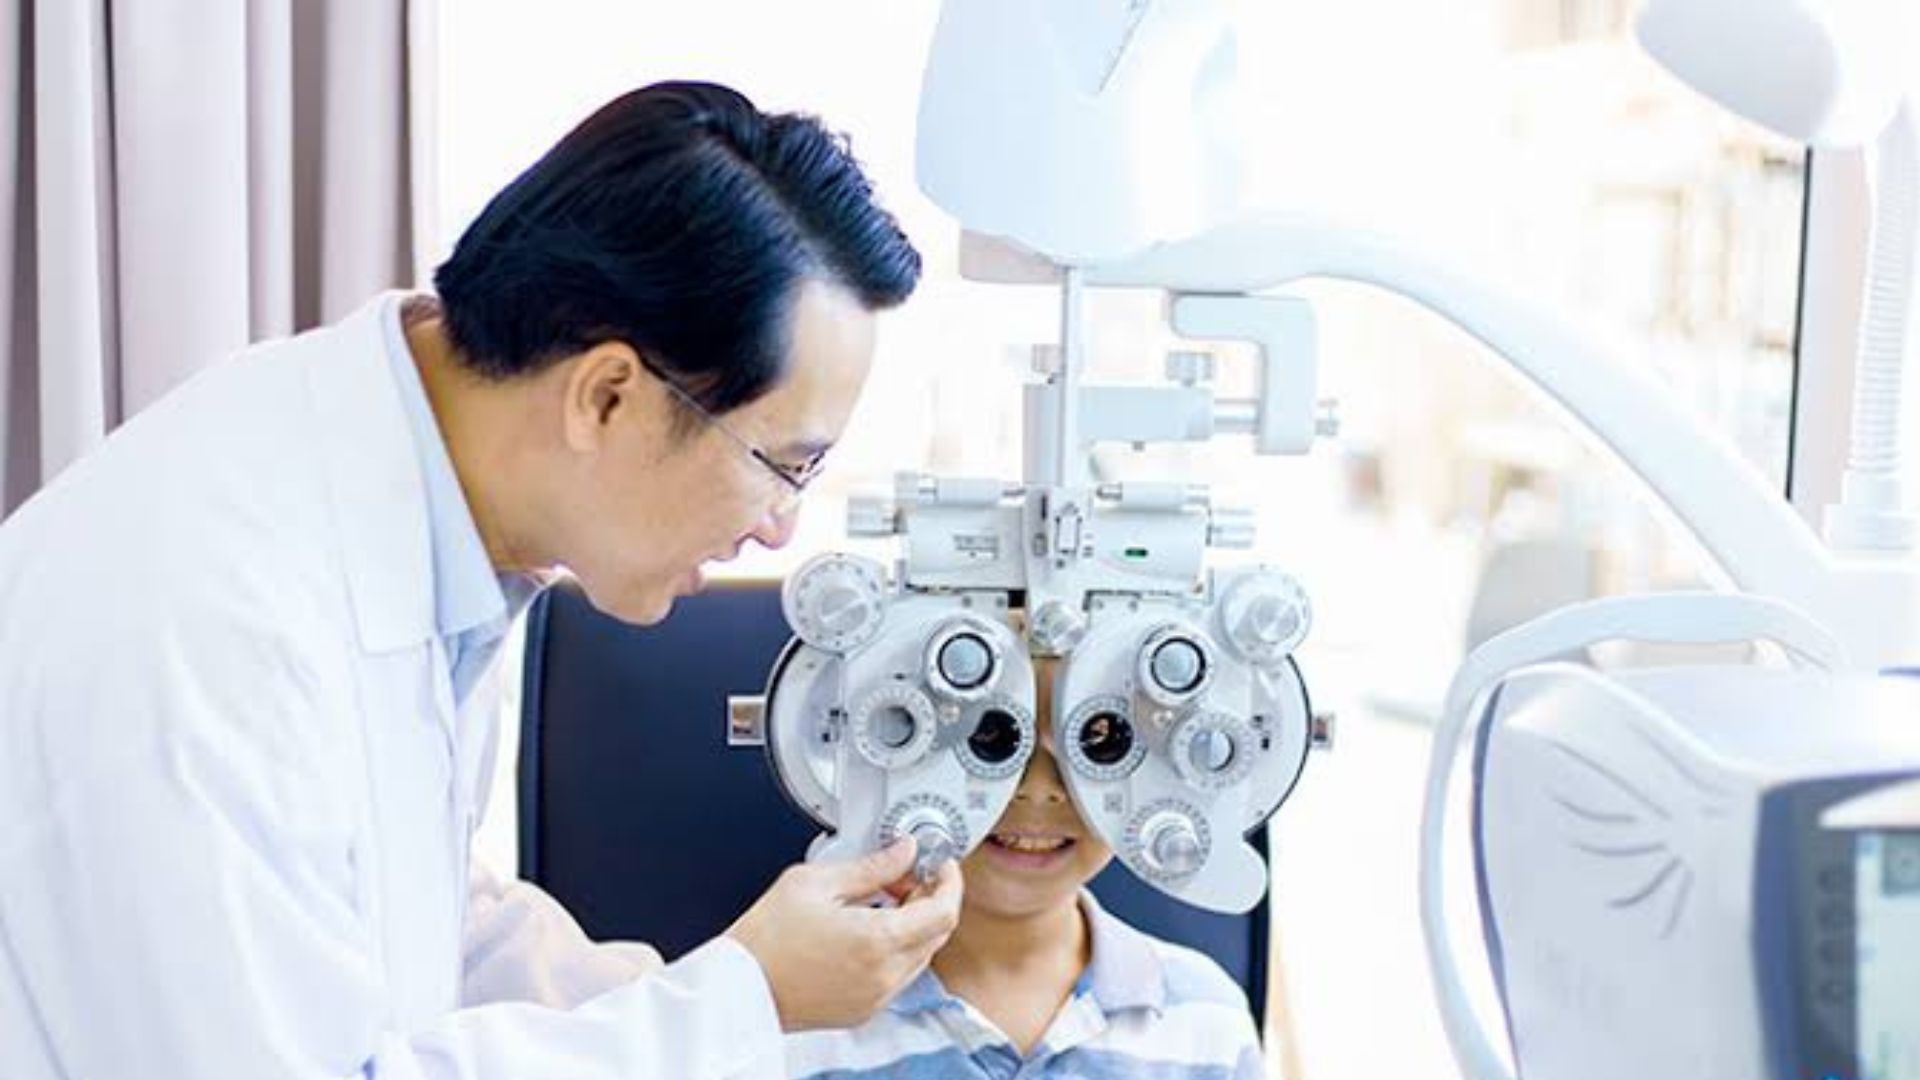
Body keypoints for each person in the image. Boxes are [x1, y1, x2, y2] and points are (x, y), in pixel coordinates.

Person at [0, 81, 961, 1079]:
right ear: (608, 396)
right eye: (783, 466)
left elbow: (409, 922)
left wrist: (746, 1004)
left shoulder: (420, 506)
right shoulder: (212, 629)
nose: (778, 527)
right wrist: (740, 1003)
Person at [784, 659, 1269, 1079]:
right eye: (987, 737)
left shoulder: (1206, 1019)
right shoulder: (809, 1008)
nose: (1038, 790)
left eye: (1097, 742)